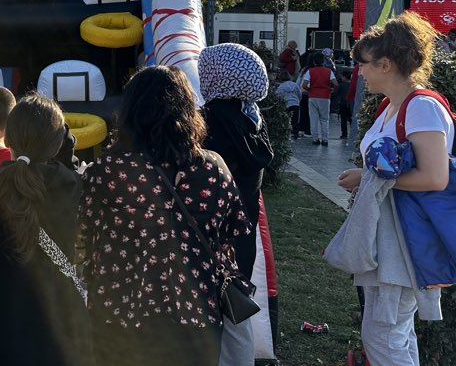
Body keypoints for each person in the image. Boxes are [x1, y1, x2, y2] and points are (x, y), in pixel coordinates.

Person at [81, 66, 250, 365]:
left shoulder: (107, 171)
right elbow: (233, 232)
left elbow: (84, 234)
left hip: (119, 310)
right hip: (195, 311)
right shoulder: (214, 168)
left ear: (131, 110)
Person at [336, 11, 451, 366]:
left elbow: (435, 178)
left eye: (365, 65)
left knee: (383, 335)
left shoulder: (422, 108)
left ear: (386, 64)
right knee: (392, 333)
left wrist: (366, 178)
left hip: (404, 240)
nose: (361, 72)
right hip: (390, 234)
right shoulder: (393, 106)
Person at [0, 93, 90, 366]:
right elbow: (64, 167)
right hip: (61, 350)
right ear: (58, 142)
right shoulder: (73, 191)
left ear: (8, 140)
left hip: (0, 351)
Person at [198, 44, 274, 366]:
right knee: (235, 306)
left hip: (210, 236)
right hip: (242, 236)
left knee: (209, 311)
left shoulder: (208, 123)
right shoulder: (253, 119)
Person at [302, 52, 338, 146]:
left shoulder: (310, 71)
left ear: (314, 62)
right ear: (323, 61)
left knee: (313, 118)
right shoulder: (329, 71)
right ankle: (325, 139)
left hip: (313, 96)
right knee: (324, 119)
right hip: (325, 97)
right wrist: (332, 90)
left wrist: (310, 89)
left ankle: (315, 138)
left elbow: (304, 85)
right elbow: (336, 84)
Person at [274, 71, 301, 139]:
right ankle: (295, 133)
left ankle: (287, 132)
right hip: (295, 103)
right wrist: (298, 101)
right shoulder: (294, 85)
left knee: (287, 119)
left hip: (286, 104)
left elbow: (278, 96)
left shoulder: (281, 87)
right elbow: (299, 94)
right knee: (295, 119)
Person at [332, 69, 353, 139]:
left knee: (343, 120)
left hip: (343, 104)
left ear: (344, 77)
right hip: (350, 104)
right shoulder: (352, 85)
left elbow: (335, 94)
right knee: (351, 119)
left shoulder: (341, 85)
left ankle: (344, 134)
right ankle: (353, 132)